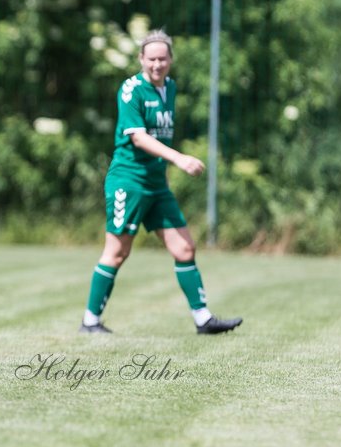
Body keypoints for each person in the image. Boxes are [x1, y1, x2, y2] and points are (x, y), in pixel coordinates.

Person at [81, 29, 242, 335]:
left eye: (163, 58)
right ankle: (90, 320)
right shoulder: (130, 90)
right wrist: (178, 159)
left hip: (157, 185)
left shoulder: (170, 88)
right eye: (151, 59)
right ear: (141, 59)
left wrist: (165, 170)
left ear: (170, 60)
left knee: (184, 249)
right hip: (128, 183)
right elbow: (139, 138)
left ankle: (203, 319)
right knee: (117, 252)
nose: (157, 64)